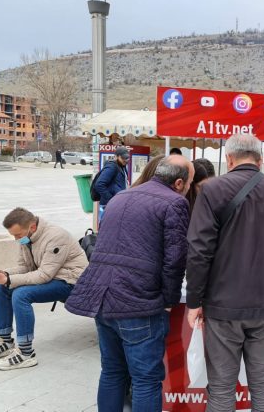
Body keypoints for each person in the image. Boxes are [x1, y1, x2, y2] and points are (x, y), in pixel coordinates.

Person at [186, 134, 264, 412]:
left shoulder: (212, 190)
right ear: (260, 159)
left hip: (223, 305)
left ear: (229, 159)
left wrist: (194, 300)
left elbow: (199, 250)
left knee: (221, 386)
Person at [66, 155, 194, 412]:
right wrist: (169, 300)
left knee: (112, 371)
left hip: (101, 298)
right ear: (179, 183)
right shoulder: (175, 202)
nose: (189, 189)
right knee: (146, 379)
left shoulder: (121, 197)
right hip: (137, 301)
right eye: (190, 183)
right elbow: (175, 259)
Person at [0, 208, 88, 370]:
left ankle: (26, 353)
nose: (16, 239)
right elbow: (25, 267)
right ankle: (5, 341)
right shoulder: (26, 238)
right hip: (51, 277)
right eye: (13, 236)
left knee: (21, 294)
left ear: (32, 227)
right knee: (0, 289)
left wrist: (9, 280)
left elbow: (44, 275)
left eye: (18, 235)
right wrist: (4, 274)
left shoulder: (56, 237)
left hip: (70, 281)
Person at [95, 147, 129, 220]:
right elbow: (99, 185)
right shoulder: (111, 167)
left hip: (116, 204)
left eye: (126, 158)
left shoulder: (122, 166)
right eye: (123, 158)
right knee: (107, 226)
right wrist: (111, 199)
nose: (125, 160)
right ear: (116, 157)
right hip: (108, 206)